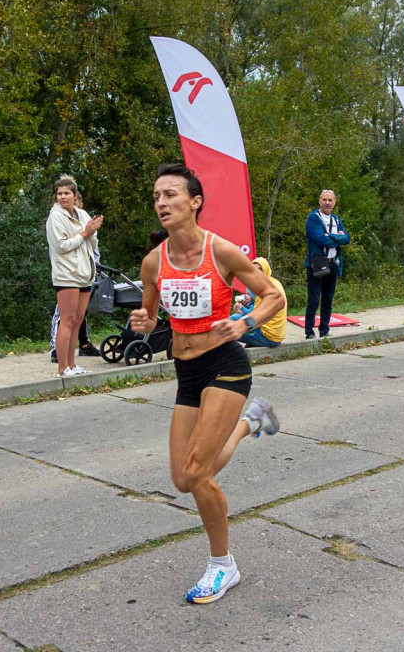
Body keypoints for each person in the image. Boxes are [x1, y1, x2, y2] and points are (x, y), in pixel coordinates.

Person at [129, 163, 283, 604]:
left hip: (226, 365)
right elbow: (152, 317)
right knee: (183, 478)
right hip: (186, 371)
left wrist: (245, 321)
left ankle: (223, 566)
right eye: (157, 195)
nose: (162, 202)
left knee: (198, 472)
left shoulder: (223, 252)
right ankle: (251, 423)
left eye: (171, 194)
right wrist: (143, 321)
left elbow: (273, 295)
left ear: (195, 202)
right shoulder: (153, 263)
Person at [47, 176, 103, 376]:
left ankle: (72, 364)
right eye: (60, 193)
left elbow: (92, 242)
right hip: (67, 274)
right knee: (67, 319)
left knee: (78, 320)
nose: (63, 197)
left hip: (85, 273)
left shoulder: (82, 214)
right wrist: (85, 234)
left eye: (66, 193)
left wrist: (92, 232)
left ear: (74, 195)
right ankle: (62, 368)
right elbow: (61, 246)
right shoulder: (55, 217)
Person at [303, 189, 350, 339]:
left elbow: (347, 239)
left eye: (330, 200)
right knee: (314, 300)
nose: (327, 203)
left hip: (333, 264)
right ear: (319, 201)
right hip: (316, 263)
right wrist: (337, 237)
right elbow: (320, 239)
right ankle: (309, 331)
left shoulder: (336, 219)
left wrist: (330, 236)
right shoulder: (313, 218)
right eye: (324, 200)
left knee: (328, 300)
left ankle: (324, 331)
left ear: (334, 202)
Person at [229, 257, 287, 348]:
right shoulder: (272, 282)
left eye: (260, 269)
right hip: (274, 333)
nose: (257, 273)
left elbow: (255, 318)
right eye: (254, 270)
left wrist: (241, 308)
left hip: (268, 336)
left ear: (266, 270)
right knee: (233, 319)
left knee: (228, 328)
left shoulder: (266, 290)